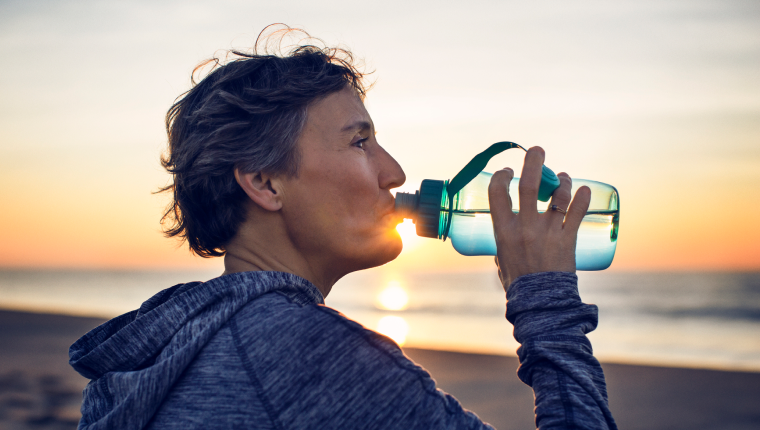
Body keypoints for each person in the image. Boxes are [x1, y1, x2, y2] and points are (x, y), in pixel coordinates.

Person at [70, 26, 617, 430]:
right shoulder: (305, 354)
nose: (395, 173)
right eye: (360, 142)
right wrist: (546, 304)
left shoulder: (178, 346)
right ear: (265, 183)